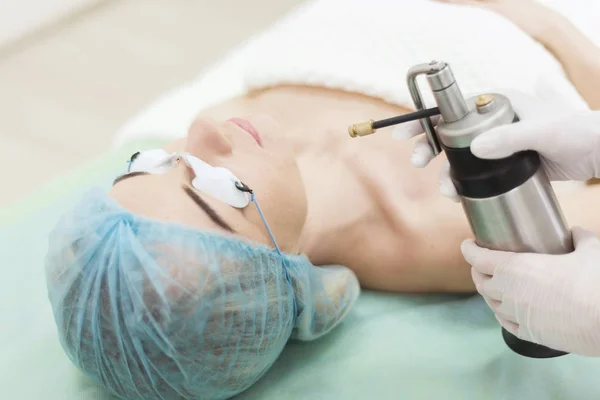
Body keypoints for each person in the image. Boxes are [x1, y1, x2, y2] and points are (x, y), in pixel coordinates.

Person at [44, 0, 600, 399]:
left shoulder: (248, 137)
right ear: (268, 274)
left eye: (153, 163)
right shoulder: (445, 225)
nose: (200, 133)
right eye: (221, 189)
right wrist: (548, 26)